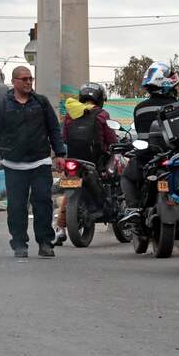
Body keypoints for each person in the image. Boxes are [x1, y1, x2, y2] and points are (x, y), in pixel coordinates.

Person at [0, 66, 66, 258]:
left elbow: (54, 129)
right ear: (14, 82)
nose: (28, 82)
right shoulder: (3, 106)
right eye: (24, 79)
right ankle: (19, 243)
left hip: (40, 162)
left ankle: (45, 242)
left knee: (42, 202)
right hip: (14, 164)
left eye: (30, 79)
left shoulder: (41, 102)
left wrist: (60, 153)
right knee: (16, 206)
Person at [54, 82, 119, 245]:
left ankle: (59, 228)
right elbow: (111, 139)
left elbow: (64, 137)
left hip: (74, 161)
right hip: (97, 161)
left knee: (69, 192)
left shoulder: (71, 114)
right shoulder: (102, 115)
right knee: (114, 176)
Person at [119, 63, 179, 225]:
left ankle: (133, 210)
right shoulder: (177, 106)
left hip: (146, 159)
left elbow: (140, 134)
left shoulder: (140, 109)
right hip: (176, 158)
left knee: (126, 177)